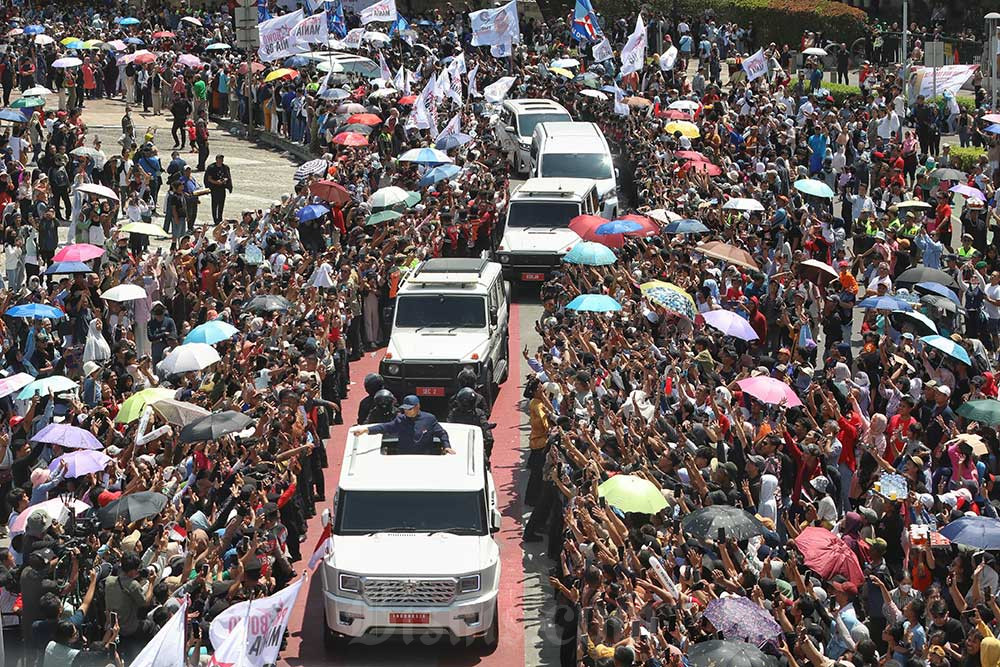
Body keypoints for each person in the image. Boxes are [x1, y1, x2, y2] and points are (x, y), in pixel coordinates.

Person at [351, 395, 455, 454]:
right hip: (403, 457)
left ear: (417, 406)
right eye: (404, 409)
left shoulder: (429, 419)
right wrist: (366, 430)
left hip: (425, 457)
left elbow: (442, 433)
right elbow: (385, 427)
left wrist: (446, 446)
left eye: (409, 409)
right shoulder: (400, 420)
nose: (406, 411)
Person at [204, 154, 232, 225]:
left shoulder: (225, 167)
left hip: (222, 188)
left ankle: (220, 219)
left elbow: (227, 176)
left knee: (221, 204)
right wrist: (216, 182)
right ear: (216, 159)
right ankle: (215, 220)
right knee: (215, 204)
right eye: (219, 159)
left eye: (222, 160)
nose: (221, 161)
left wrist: (225, 181)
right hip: (214, 189)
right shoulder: (212, 167)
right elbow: (209, 178)